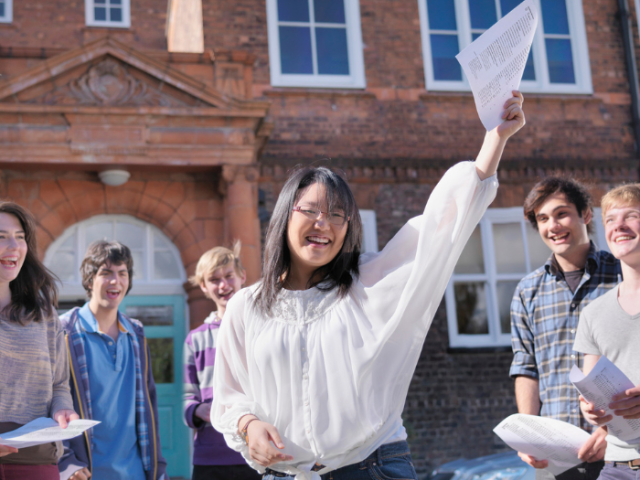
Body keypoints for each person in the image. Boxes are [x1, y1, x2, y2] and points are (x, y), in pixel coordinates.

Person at [210, 91, 526, 480]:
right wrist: (247, 425)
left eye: (337, 215)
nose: (323, 223)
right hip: (285, 475)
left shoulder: (369, 284)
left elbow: (438, 230)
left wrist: (494, 142)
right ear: (284, 217)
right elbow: (229, 394)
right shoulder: (247, 307)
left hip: (372, 467)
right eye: (310, 210)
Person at [510, 178, 621, 480]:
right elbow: (526, 368)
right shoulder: (527, 291)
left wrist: (615, 429)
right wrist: (527, 433)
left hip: (622, 451)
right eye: (543, 218)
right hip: (555, 460)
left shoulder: (625, 275)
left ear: (586, 214)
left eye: (561, 214)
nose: (552, 226)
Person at [57, 241, 167, 480]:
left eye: (122, 273)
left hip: (135, 472)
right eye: (106, 273)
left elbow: (149, 406)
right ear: (89, 280)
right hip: (85, 472)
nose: (115, 281)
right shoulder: (64, 331)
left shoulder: (136, 333)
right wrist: (66, 462)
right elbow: (49, 402)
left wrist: (158, 468)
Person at [0, 201, 78, 480]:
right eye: (1, 237)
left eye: (20, 237)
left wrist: (63, 409)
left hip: (36, 461)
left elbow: (58, 384)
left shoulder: (43, 313)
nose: (14, 246)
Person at [575, 184, 640, 480]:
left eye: (632, 216)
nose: (619, 226)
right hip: (617, 468)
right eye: (611, 220)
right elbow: (592, 390)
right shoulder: (593, 313)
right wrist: (592, 410)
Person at [184, 242, 261, 480]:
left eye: (229, 276)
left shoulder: (260, 331)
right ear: (204, 287)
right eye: (214, 280)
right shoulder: (194, 340)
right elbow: (186, 397)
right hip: (210, 457)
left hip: (256, 451)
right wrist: (198, 410)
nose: (223, 285)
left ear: (242, 277)